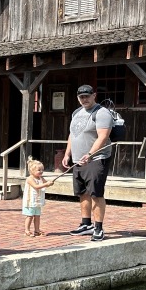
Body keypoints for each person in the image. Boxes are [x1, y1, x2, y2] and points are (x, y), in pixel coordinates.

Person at [63, 85, 113, 242]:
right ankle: (86, 224)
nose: (84, 99)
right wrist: (67, 154)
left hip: (96, 159)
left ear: (94, 96)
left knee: (96, 193)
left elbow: (103, 136)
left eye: (87, 96)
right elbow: (73, 134)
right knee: (82, 192)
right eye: (81, 97)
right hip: (78, 160)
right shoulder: (76, 113)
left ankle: (98, 228)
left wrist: (90, 154)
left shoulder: (102, 113)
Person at [23, 158, 55, 237]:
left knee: (37, 216)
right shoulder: (29, 179)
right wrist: (46, 184)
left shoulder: (41, 178)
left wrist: (50, 183)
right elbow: (36, 186)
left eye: (42, 170)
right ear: (32, 171)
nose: (41, 171)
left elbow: (45, 183)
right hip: (30, 201)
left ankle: (37, 230)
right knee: (30, 216)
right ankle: (27, 230)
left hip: (37, 201)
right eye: (39, 170)